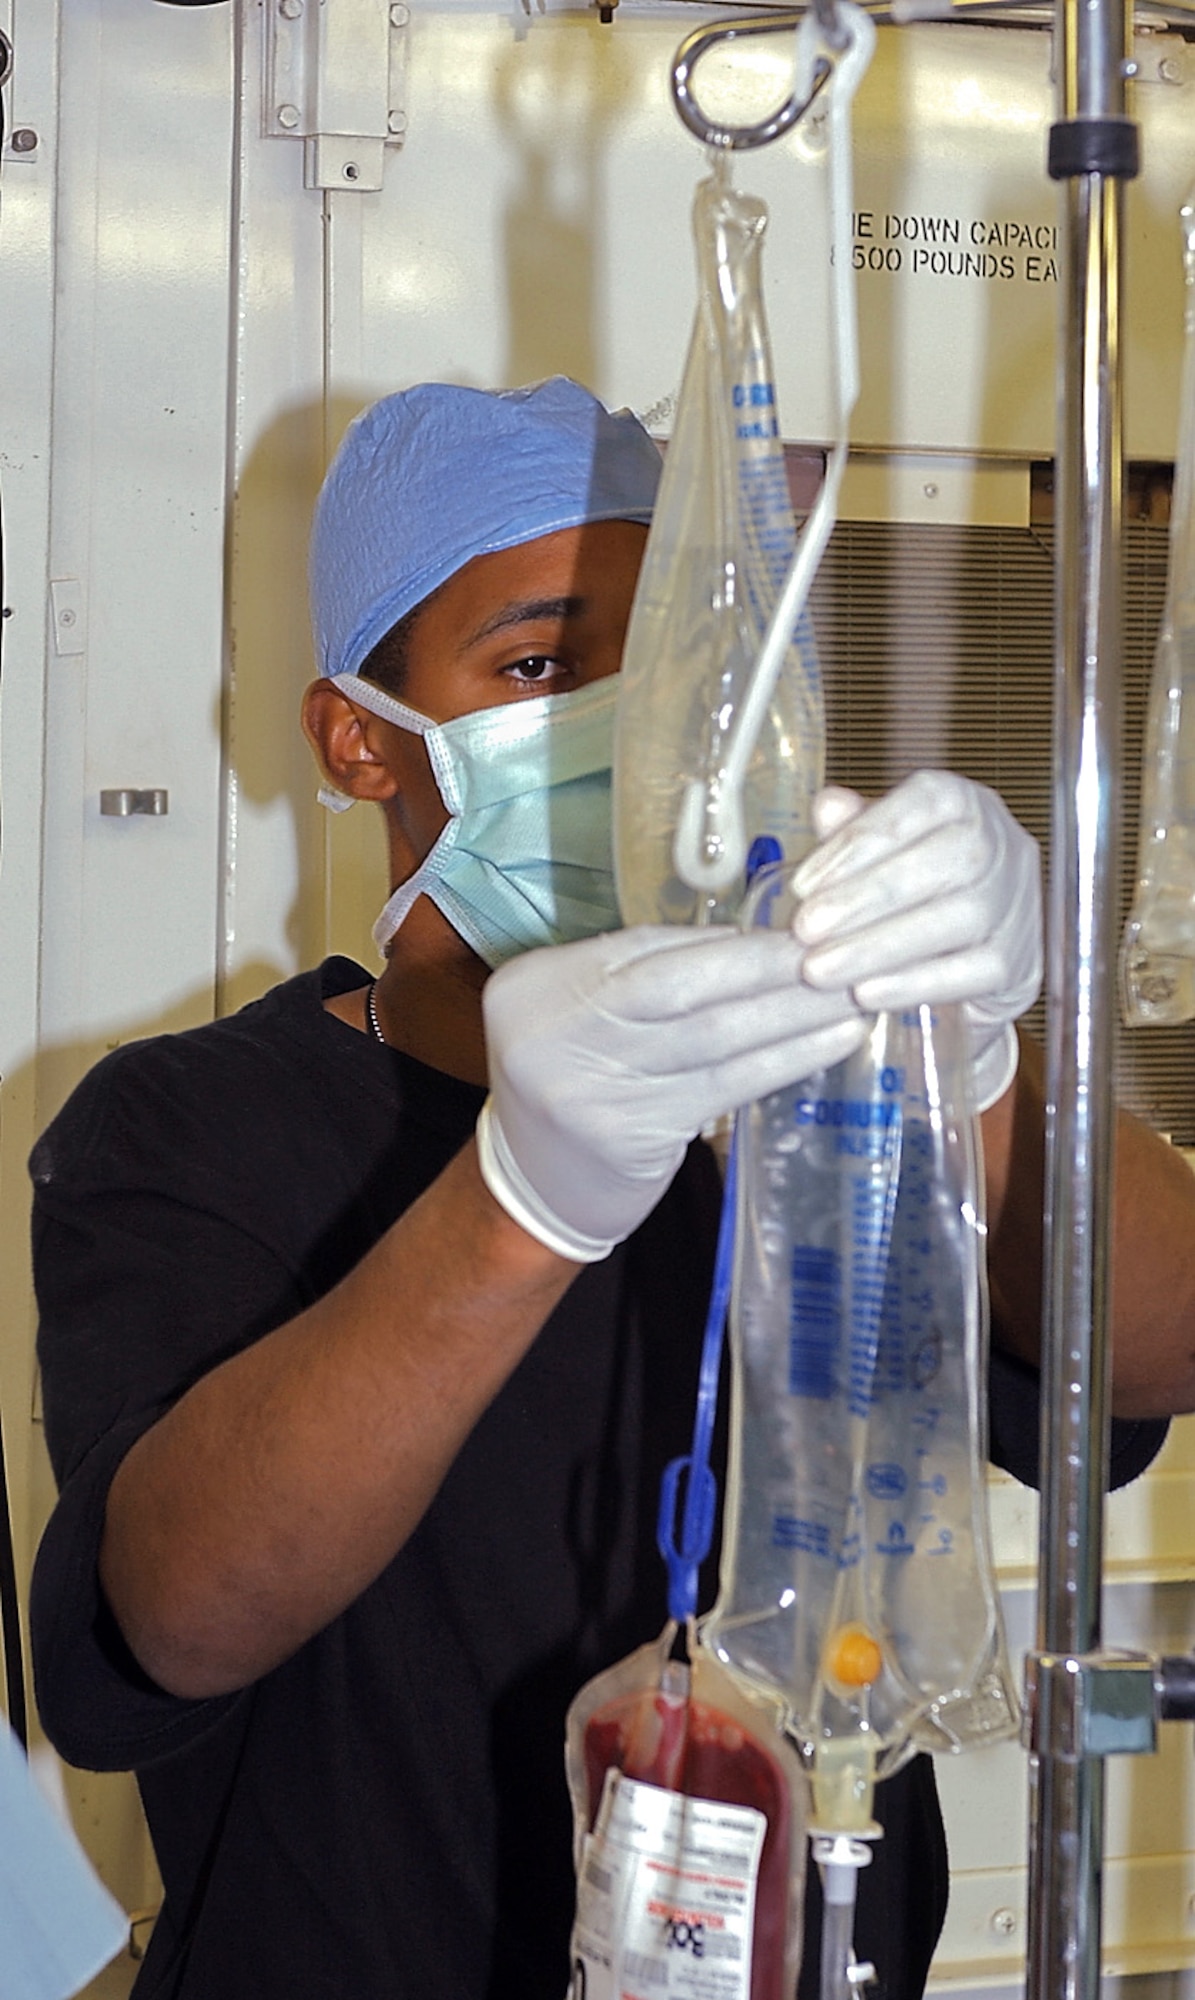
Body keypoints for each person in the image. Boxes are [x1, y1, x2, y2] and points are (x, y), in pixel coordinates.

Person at [28, 378, 1195, 2000]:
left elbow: (1147, 1351)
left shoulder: (810, 1081)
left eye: (671, 675)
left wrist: (981, 1061)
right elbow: (168, 1622)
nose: (629, 730)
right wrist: (527, 1196)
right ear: (360, 738)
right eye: (538, 664)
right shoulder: (185, 1129)